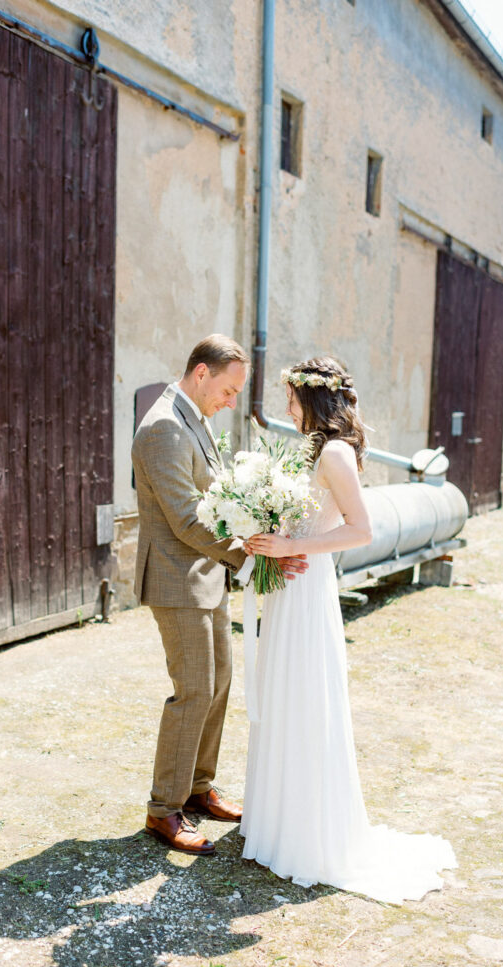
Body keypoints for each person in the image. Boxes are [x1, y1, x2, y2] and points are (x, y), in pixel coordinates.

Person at [242, 357, 457, 902]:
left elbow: (359, 530)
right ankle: (278, 819)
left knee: (304, 694)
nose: (286, 406)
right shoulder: (311, 447)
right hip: (289, 585)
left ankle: (308, 833)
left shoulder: (334, 452)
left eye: (291, 397)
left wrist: (292, 545)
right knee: (283, 692)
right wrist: (263, 533)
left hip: (308, 586)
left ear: (311, 398)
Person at [131, 335, 306, 857]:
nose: (231, 402)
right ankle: (164, 810)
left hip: (207, 576)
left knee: (220, 684)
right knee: (194, 691)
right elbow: (186, 519)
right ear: (201, 373)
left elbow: (217, 497)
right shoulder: (163, 426)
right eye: (228, 391)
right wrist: (251, 555)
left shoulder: (194, 418)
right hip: (176, 578)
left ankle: (198, 787)